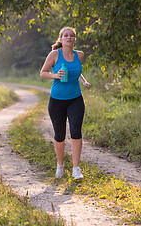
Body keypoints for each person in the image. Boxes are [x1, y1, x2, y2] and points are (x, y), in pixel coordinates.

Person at [40, 26, 91, 179]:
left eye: (72, 35)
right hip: (57, 100)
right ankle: (60, 165)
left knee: (76, 133)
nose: (69, 38)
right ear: (61, 39)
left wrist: (84, 81)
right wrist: (55, 75)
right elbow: (43, 73)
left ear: (75, 39)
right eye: (66, 35)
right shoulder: (54, 54)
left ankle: (76, 168)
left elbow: (77, 70)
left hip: (75, 98)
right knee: (60, 135)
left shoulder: (79, 55)